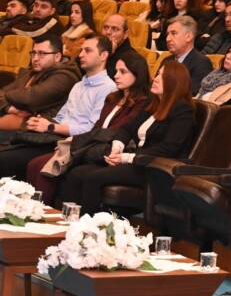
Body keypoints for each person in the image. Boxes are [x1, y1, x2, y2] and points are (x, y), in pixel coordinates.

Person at [57, 60, 196, 215]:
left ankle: (89, 228)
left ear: (174, 82)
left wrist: (127, 157)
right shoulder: (154, 104)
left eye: (162, 76)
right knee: (77, 172)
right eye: (157, 74)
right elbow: (126, 129)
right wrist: (117, 147)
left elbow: (169, 147)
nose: (155, 78)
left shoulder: (183, 110)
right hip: (135, 162)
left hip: (153, 168)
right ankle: (68, 222)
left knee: (93, 178)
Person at [25, 49, 150, 203]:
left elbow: (116, 132)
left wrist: (76, 142)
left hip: (109, 152)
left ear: (137, 74)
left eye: (123, 72)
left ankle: (47, 213)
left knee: (52, 169)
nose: (116, 75)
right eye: (116, 71)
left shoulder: (142, 103)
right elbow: (97, 128)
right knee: (34, 164)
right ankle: (34, 211)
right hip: (91, 146)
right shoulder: (112, 98)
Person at [0, 36, 115, 177]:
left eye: (87, 50)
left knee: (5, 159)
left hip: (73, 145)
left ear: (103, 55)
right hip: (54, 138)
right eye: (81, 50)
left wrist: (50, 126)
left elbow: (91, 130)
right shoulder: (79, 86)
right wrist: (40, 123)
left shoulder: (109, 89)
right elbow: (61, 116)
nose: (81, 55)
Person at [0, 35, 80, 130]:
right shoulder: (34, 71)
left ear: (57, 57)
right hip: (18, 118)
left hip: (38, 127)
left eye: (42, 54)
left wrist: (6, 97)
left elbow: (29, 99)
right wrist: (9, 108)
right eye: (33, 53)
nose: (35, 58)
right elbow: (3, 91)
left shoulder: (65, 77)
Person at [163, 15, 212, 95]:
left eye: (173, 33)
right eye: (168, 34)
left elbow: (190, 95)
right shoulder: (166, 60)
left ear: (188, 36)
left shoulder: (202, 63)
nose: (168, 39)